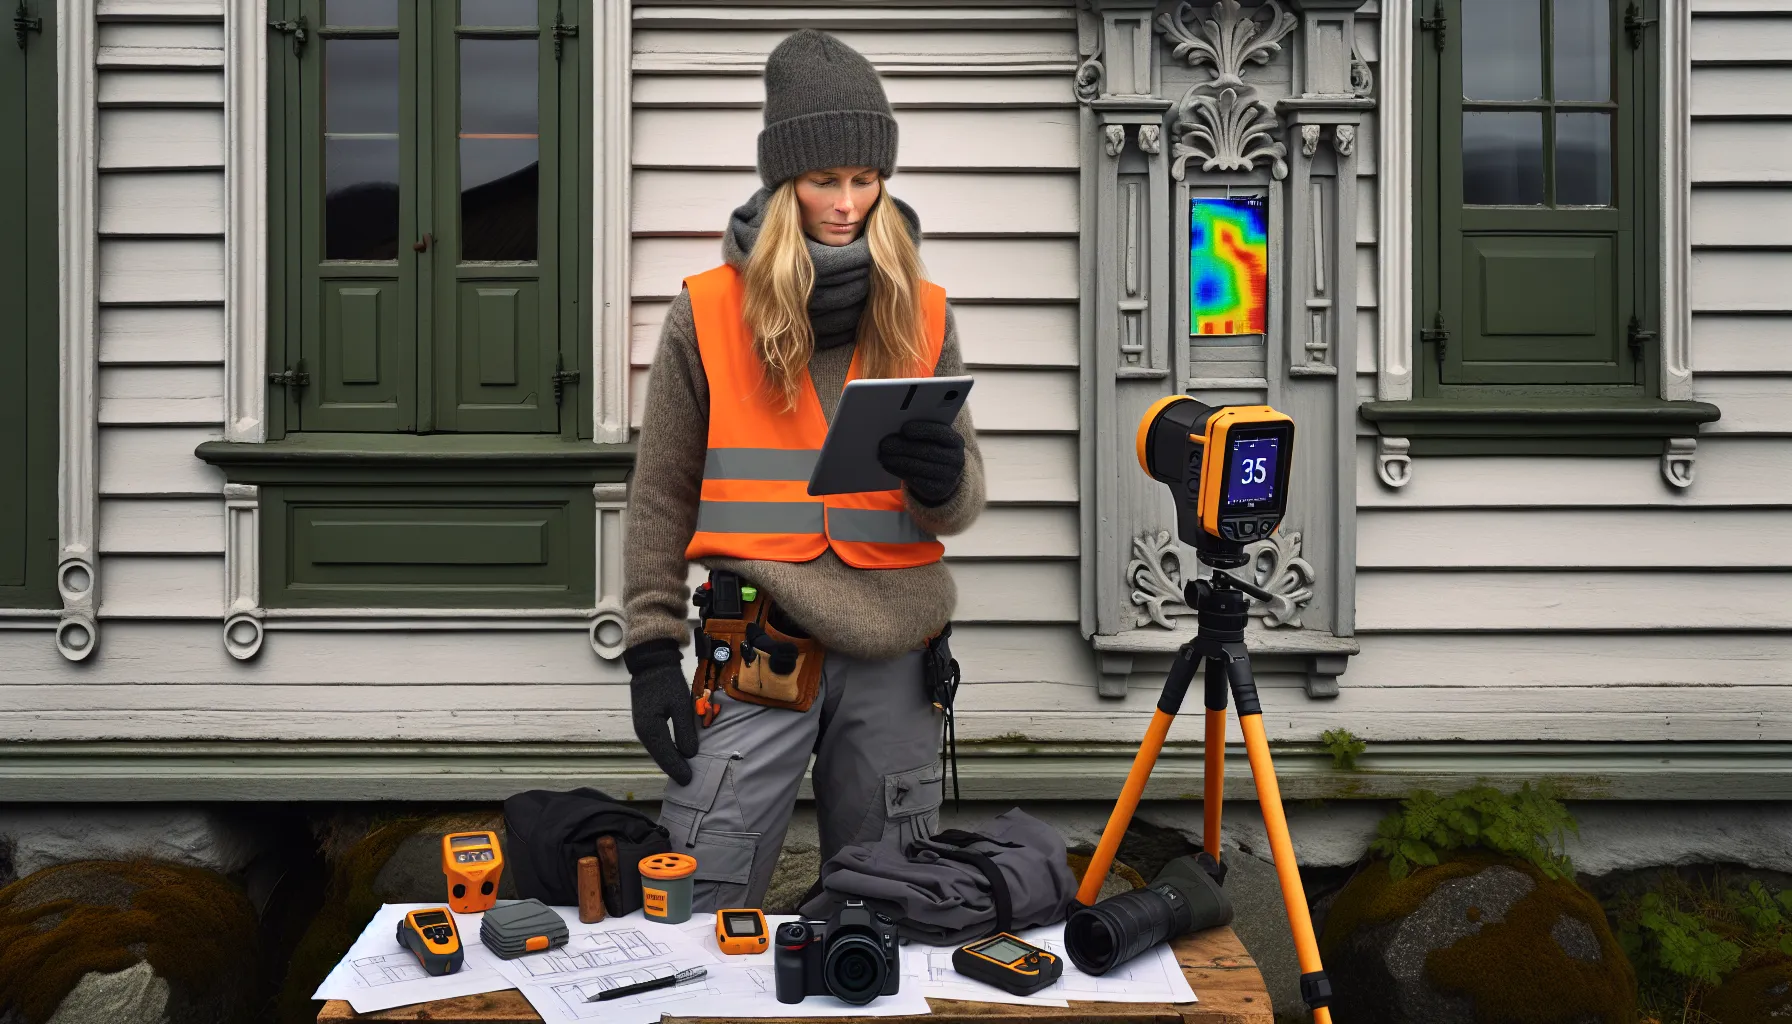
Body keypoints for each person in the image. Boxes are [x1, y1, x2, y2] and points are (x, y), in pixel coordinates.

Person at [620, 28, 986, 913]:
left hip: (897, 652)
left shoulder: (923, 311)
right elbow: (661, 491)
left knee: (892, 911)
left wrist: (942, 480)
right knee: (703, 897)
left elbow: (962, 497)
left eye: (866, 180)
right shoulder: (707, 313)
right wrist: (649, 652)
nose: (848, 202)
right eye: (826, 180)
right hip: (758, 647)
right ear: (786, 182)